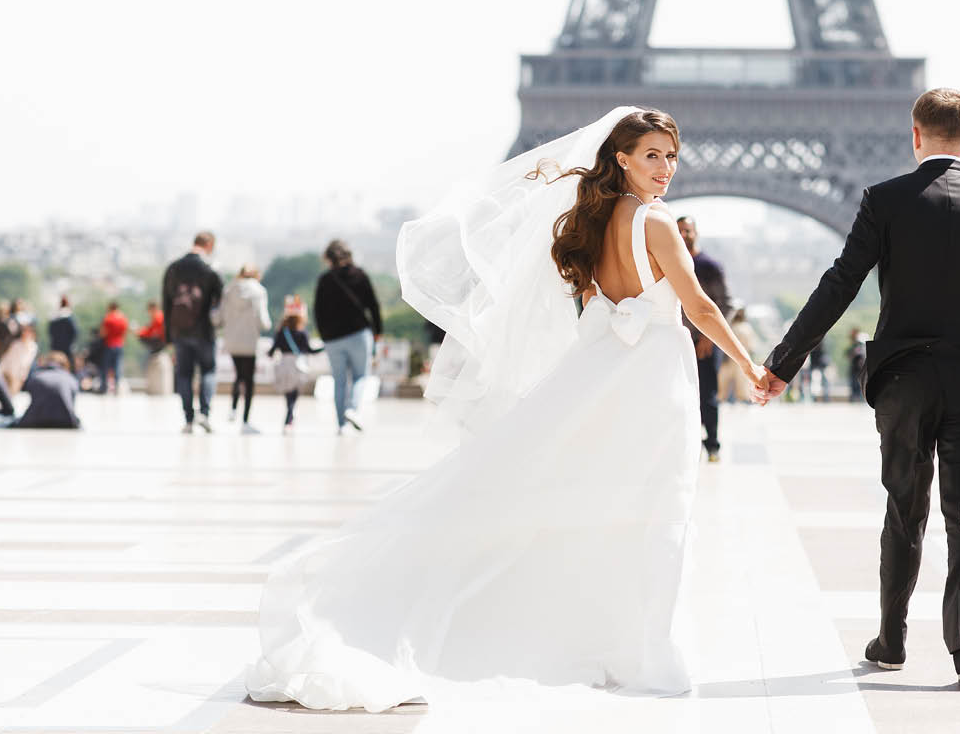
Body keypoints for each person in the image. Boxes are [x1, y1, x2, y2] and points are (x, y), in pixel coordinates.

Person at [247, 107, 764, 712]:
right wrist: (752, 367)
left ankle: (607, 638)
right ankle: (640, 649)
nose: (666, 168)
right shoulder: (656, 222)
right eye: (653, 155)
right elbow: (698, 306)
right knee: (654, 506)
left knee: (586, 498)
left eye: (671, 156)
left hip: (604, 371)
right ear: (622, 158)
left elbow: (594, 301)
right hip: (652, 377)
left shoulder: (596, 223)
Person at [753, 89, 960, 686]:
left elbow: (839, 285)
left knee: (903, 508)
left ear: (915, 135)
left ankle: (891, 640)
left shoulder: (884, 200)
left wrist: (785, 361)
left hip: (905, 376)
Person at [676, 215, 732, 460]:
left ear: (696, 233)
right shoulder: (671, 262)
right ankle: (690, 442)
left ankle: (712, 445)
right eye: (679, 231)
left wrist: (709, 338)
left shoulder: (709, 266)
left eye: (687, 230)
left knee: (707, 395)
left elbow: (724, 304)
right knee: (681, 395)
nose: (684, 235)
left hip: (704, 341)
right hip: (679, 338)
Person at [313, 239, 382, 434]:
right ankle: (352, 409)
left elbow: (318, 311)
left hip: (333, 339)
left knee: (339, 381)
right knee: (361, 376)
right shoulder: (359, 275)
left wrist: (324, 335)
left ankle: (341, 425)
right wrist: (378, 331)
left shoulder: (325, 280)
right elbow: (373, 305)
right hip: (358, 334)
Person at [162, 231, 224, 433]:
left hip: (180, 330)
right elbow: (220, 301)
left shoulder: (174, 268)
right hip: (204, 330)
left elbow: (166, 302)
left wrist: (168, 334)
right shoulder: (209, 269)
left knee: (184, 374)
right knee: (208, 371)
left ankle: (188, 418)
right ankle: (204, 414)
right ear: (209, 245)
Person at [221, 264, 272, 434]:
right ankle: (245, 420)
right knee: (248, 380)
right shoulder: (258, 291)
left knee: (238, 375)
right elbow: (263, 320)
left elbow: (220, 316)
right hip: (249, 340)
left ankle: (233, 408)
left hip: (232, 340)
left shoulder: (229, 290)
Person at [268, 299, 319, 434]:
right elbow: (310, 350)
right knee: (294, 393)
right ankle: (290, 417)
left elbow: (272, 351)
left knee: (288, 394)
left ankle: (289, 416)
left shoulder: (281, 333)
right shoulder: (302, 333)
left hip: (284, 364)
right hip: (298, 365)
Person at [11, 352, 81, 429]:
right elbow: (71, 404)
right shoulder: (71, 379)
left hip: (35, 420)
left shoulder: (36, 377)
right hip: (67, 421)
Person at [717, 304, 758, 403]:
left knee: (733, 385)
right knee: (731, 385)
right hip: (736, 359)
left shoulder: (731, 327)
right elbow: (752, 347)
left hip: (735, 359)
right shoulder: (744, 327)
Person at [98, 301, 129, 394]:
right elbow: (125, 332)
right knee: (117, 367)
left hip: (109, 345)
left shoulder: (108, 318)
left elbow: (103, 333)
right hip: (119, 345)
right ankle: (117, 388)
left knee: (105, 367)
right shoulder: (123, 318)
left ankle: (103, 387)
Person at [0, 324, 38, 396]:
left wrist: (23, 375)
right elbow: (7, 358)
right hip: (8, 371)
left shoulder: (33, 347)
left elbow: (26, 363)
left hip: (19, 374)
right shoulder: (16, 344)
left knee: (13, 394)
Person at [845, 327, 868, 402]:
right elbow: (848, 354)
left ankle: (859, 398)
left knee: (859, 384)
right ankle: (855, 397)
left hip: (860, 368)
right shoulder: (854, 346)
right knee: (854, 383)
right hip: (855, 367)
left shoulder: (860, 345)